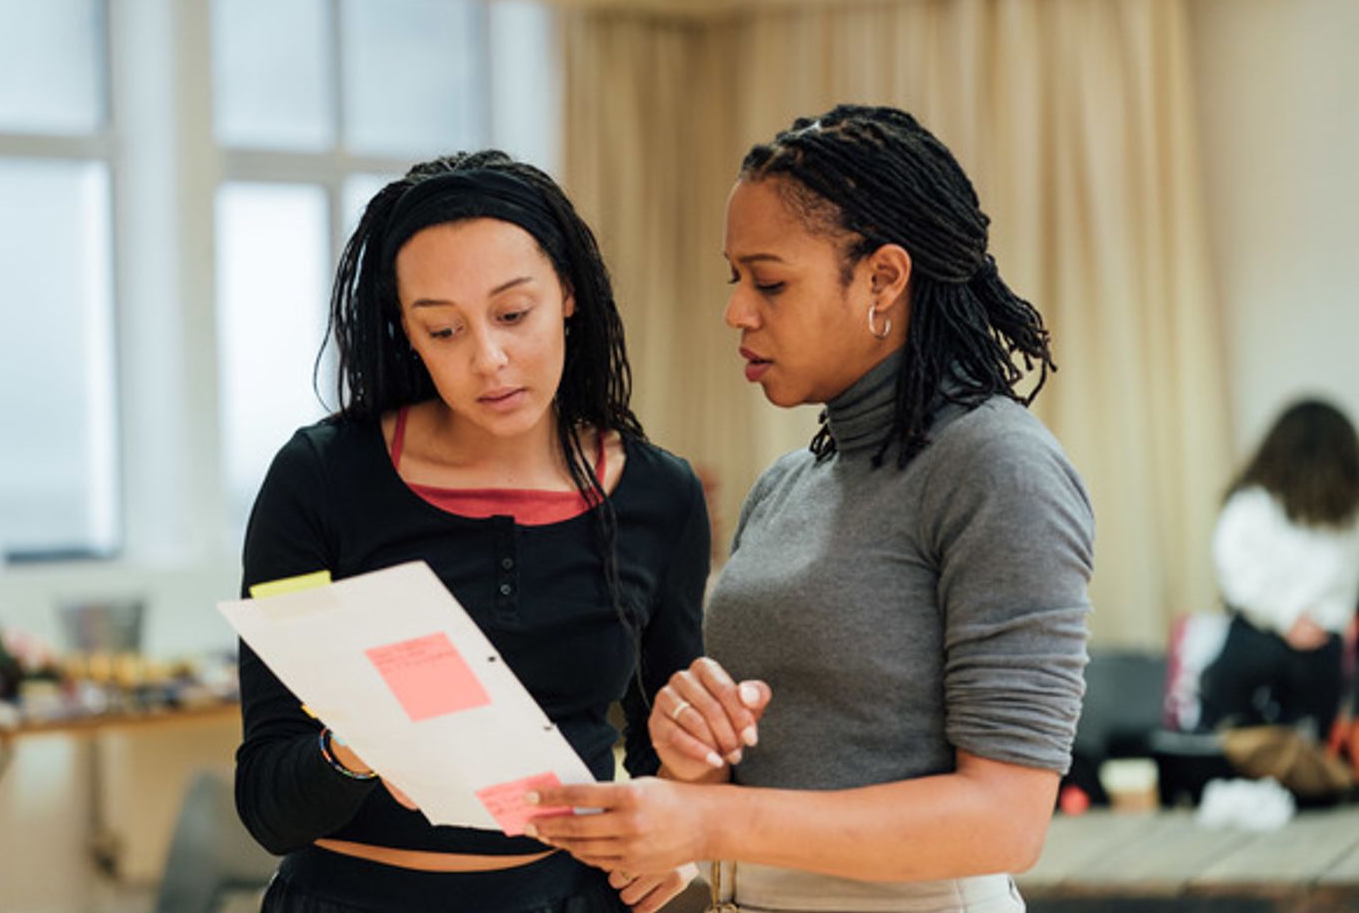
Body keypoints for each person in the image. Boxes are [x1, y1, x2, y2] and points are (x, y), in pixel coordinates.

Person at [529, 105, 1094, 912]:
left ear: (884, 278)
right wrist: (697, 750)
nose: (737, 310)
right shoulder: (788, 483)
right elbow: (779, 767)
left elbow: (1007, 819)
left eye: (770, 281)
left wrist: (710, 812)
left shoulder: (998, 466)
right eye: (735, 279)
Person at [234, 150, 710, 913]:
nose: (488, 359)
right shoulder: (320, 480)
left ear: (568, 295)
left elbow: (666, 745)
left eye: (513, 314)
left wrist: (681, 836)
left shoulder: (660, 495)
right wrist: (360, 742)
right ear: (408, 336)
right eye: (444, 329)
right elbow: (267, 799)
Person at [1199, 399, 1359, 739]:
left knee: (1300, 753)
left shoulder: (1342, 518)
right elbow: (1237, 571)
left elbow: (1236, 572)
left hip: (1313, 646)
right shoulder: (1255, 503)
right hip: (1265, 639)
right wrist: (1290, 618)